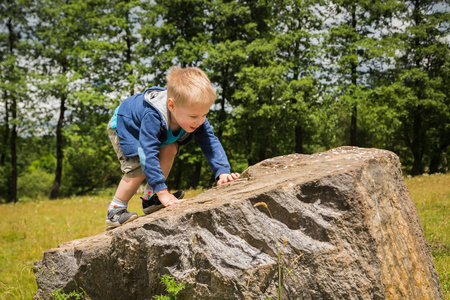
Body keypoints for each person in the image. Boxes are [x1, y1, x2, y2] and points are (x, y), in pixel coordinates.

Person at [106, 66, 240, 227]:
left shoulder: (194, 113)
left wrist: (222, 172)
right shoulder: (153, 116)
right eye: (194, 116)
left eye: (205, 114)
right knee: (138, 167)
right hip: (127, 125)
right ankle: (116, 209)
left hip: (150, 129)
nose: (200, 121)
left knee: (170, 148)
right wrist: (163, 191)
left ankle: (151, 199)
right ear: (172, 106)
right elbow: (147, 154)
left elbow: (210, 142)